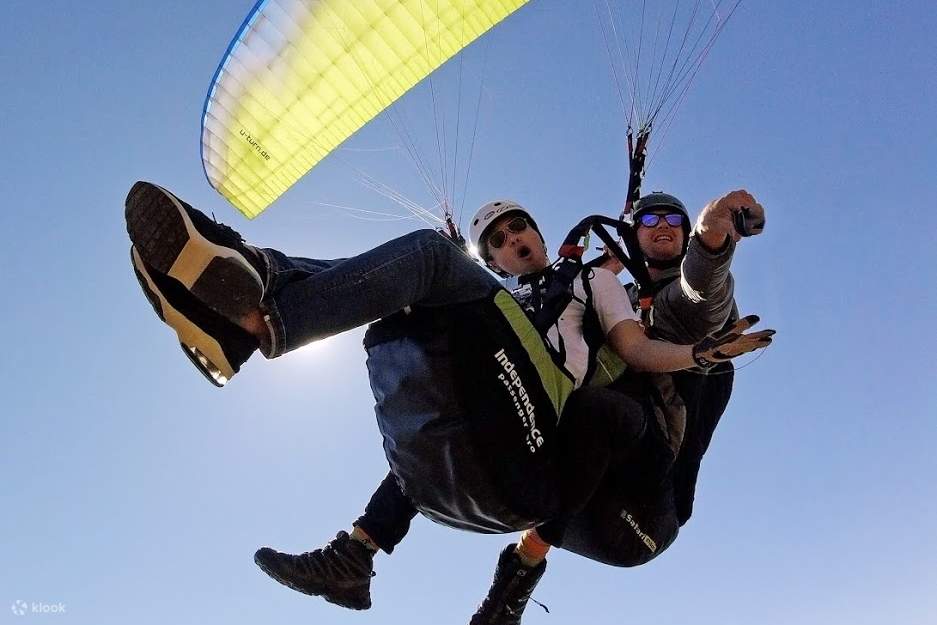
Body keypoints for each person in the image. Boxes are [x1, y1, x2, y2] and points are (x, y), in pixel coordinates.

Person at [125, 182, 770, 614]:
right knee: (418, 335)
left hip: (554, 421)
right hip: (500, 428)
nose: (514, 239)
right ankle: (244, 281)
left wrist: (698, 345)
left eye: (522, 230)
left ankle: (263, 320)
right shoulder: (508, 298)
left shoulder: (591, 280)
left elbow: (661, 328)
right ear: (490, 258)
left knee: (430, 261)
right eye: (498, 240)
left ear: (542, 238)